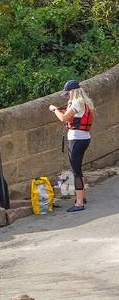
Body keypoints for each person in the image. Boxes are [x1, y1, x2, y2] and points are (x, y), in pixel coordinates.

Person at [49, 79, 95, 212]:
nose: (67, 96)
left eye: (68, 94)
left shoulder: (76, 102)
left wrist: (54, 110)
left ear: (72, 92)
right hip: (84, 138)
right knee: (78, 169)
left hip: (76, 140)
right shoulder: (84, 102)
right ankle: (82, 197)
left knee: (76, 172)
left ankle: (79, 203)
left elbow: (64, 118)